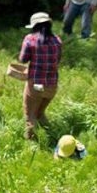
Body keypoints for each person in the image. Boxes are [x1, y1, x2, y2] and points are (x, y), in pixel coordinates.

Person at [19, 12, 63, 140]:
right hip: (52, 85)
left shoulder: (30, 39)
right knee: (39, 112)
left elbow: (23, 59)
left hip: (36, 85)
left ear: (34, 26)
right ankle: (52, 136)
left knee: (30, 114)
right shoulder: (57, 40)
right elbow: (58, 60)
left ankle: (31, 142)